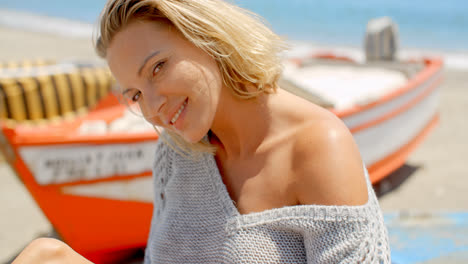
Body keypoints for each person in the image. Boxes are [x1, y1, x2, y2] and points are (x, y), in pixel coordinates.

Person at [13, 0, 391, 263]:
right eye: (135, 94)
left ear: (206, 37)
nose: (153, 107)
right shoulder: (175, 151)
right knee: (45, 256)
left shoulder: (317, 147)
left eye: (158, 68)